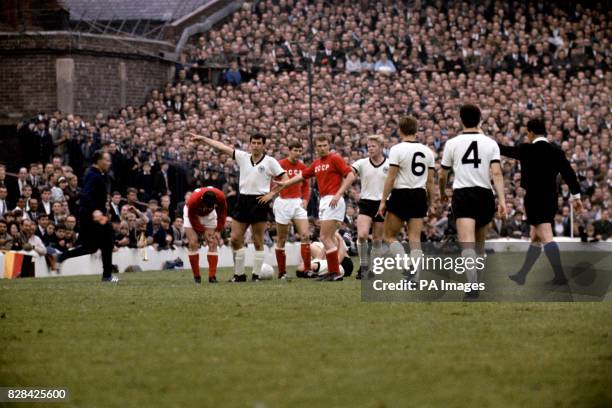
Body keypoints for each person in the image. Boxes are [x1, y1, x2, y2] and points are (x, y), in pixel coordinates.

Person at [190, 132, 287, 282]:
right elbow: (222, 147)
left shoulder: (270, 161)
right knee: (235, 239)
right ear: (250, 144)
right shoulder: (242, 157)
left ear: (264, 145)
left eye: (259, 143)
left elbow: (285, 179)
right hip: (242, 201)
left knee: (257, 241)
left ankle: (256, 275)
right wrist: (203, 139)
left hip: (259, 201)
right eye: (253, 143)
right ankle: (239, 275)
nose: (255, 146)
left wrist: (271, 194)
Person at [498, 118, 582, 285]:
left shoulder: (526, 149)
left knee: (546, 237)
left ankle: (560, 276)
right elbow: (569, 175)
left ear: (530, 132)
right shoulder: (556, 151)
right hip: (551, 198)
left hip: (535, 199)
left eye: (526, 133)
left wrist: (483, 140)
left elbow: (504, 150)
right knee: (536, 238)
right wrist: (576, 197)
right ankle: (522, 275)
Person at [438, 105, 507, 298]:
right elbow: (497, 173)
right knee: (480, 245)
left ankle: (472, 284)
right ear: (480, 120)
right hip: (485, 194)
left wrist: (443, 192)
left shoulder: (452, 143)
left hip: (463, 194)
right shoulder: (491, 143)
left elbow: (443, 174)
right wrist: (502, 200)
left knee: (466, 243)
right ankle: (477, 281)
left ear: (461, 120)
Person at [275, 135, 356, 281]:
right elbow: (302, 176)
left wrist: (338, 194)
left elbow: (350, 175)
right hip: (324, 201)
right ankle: (333, 272)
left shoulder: (335, 158)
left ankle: (335, 272)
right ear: (315, 147)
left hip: (333, 200)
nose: (322, 148)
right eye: (319, 146)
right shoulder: (317, 163)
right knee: (328, 237)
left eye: (325, 145)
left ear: (329, 145)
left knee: (324, 237)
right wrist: (286, 184)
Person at [377, 116, 435, 279]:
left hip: (401, 194)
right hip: (419, 195)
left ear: (400, 130)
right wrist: (431, 203)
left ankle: (407, 266)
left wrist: (383, 201)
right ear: (417, 131)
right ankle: (415, 277)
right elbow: (430, 182)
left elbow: (391, 177)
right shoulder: (428, 152)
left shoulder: (397, 149)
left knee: (388, 236)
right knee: (415, 239)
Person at [58, 150, 117, 282]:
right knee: (106, 243)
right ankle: (107, 275)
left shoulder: (99, 174)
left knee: (91, 247)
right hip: (93, 217)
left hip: (96, 215)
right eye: (106, 160)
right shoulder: (92, 174)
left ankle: (62, 257)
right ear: (98, 161)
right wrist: (95, 211)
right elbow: (85, 194)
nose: (109, 163)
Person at [269, 141, 313, 279]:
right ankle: (282, 272)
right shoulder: (280, 164)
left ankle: (307, 269)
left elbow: (306, 186)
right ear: (289, 150)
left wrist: (305, 200)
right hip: (283, 203)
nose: (298, 153)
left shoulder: (302, 166)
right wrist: (273, 194)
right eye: (295, 150)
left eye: (300, 150)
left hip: (297, 203)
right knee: (282, 238)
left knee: (305, 235)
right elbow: (272, 182)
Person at [352, 134, 390, 279]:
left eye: (373, 146)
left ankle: (374, 268)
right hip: (366, 202)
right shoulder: (361, 163)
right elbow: (350, 173)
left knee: (376, 239)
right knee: (362, 235)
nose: (370, 148)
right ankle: (363, 265)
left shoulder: (390, 164)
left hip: (382, 204)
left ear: (381, 147)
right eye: (368, 146)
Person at [184, 186, 227, 284]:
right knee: (193, 243)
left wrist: (218, 230)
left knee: (213, 242)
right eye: (206, 205)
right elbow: (192, 218)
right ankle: (197, 276)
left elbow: (223, 214)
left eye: (210, 206)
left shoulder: (221, 197)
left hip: (209, 216)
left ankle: (212, 277)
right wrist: (203, 232)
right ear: (202, 200)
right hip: (193, 214)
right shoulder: (193, 200)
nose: (207, 208)